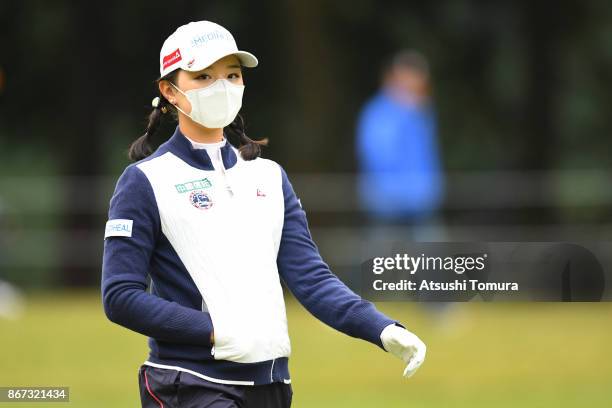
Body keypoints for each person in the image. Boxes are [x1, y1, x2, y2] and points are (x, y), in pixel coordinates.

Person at [101, 21, 426, 408]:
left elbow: (312, 280)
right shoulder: (143, 181)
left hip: (273, 385)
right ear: (169, 91)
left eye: (231, 75)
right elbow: (120, 295)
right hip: (191, 384)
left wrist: (381, 328)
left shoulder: (269, 177)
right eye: (203, 75)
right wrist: (213, 331)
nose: (221, 86)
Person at [356, 50, 444, 244]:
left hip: (422, 203)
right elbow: (379, 156)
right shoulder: (379, 113)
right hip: (389, 204)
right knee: (385, 267)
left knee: (430, 266)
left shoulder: (422, 112)